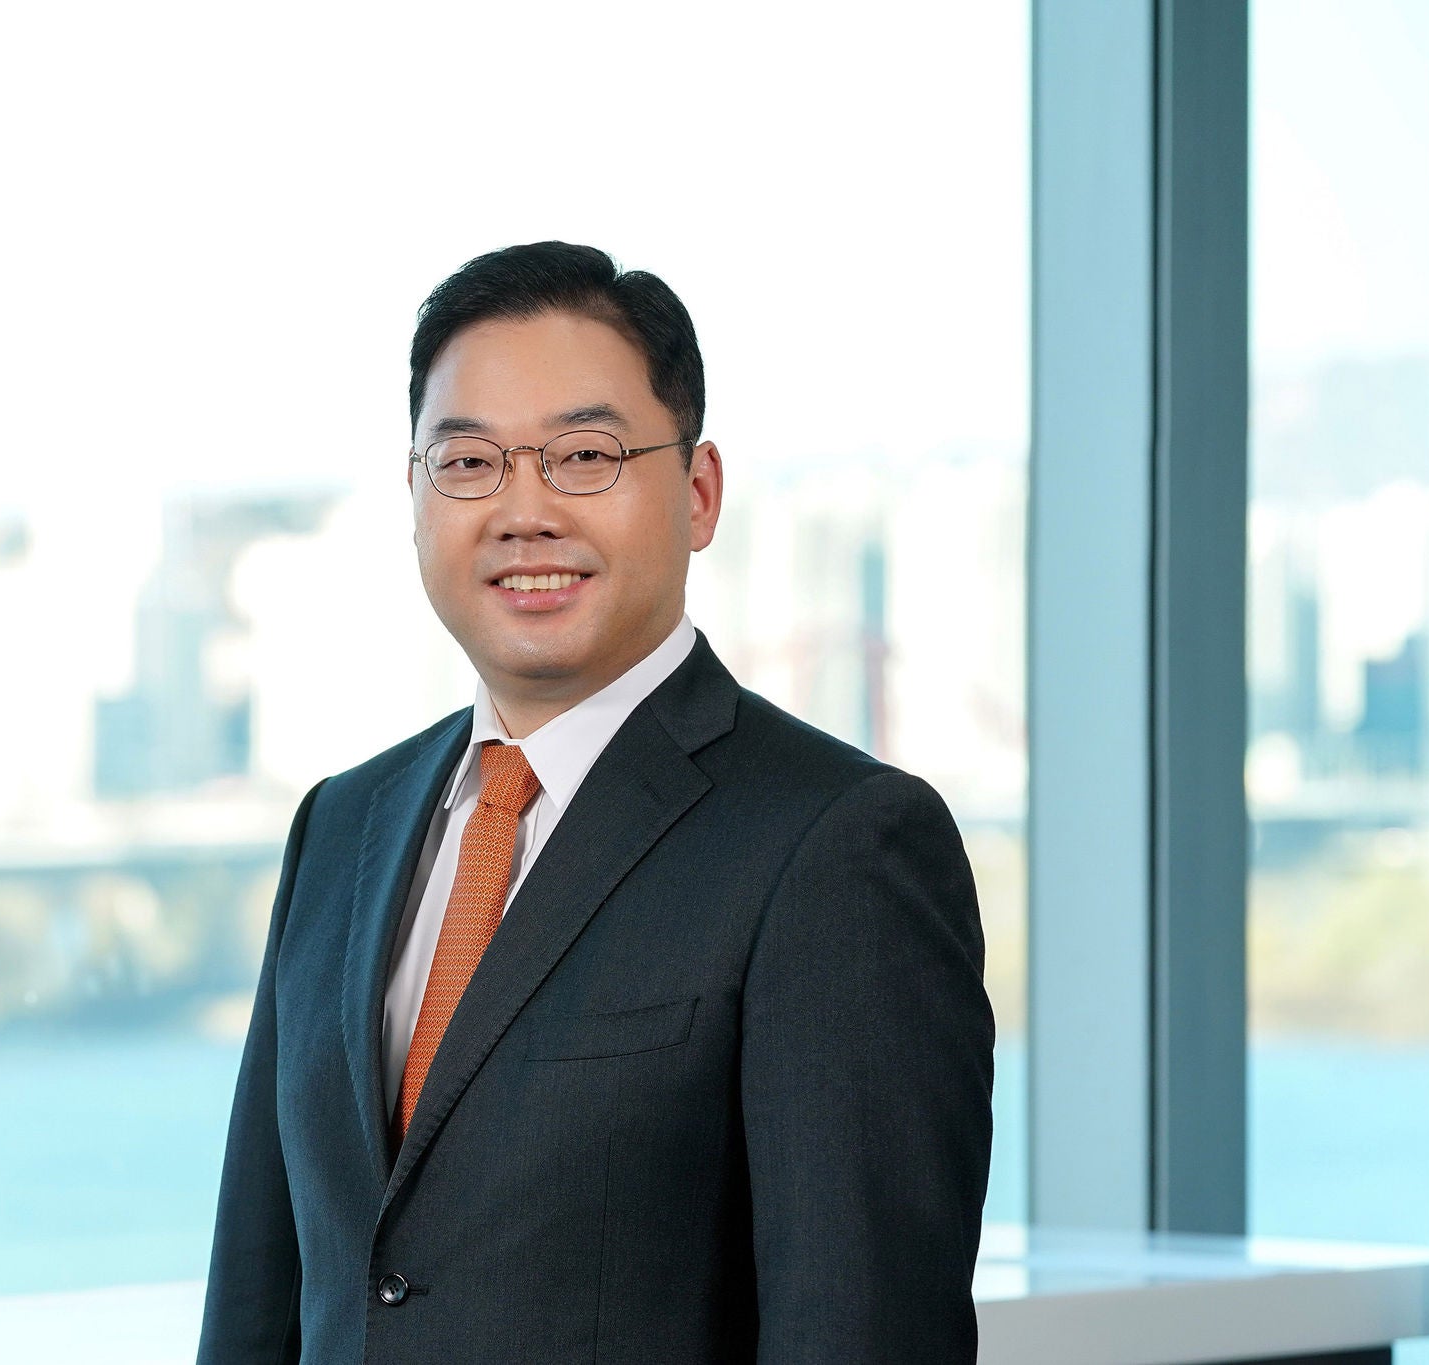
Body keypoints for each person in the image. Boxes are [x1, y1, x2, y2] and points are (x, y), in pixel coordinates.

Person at [197, 241, 993, 1363]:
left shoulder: (838, 846)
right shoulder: (341, 826)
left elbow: (859, 1334)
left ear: (699, 493)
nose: (523, 512)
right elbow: (257, 1305)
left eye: (583, 456)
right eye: (468, 462)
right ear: (414, 496)